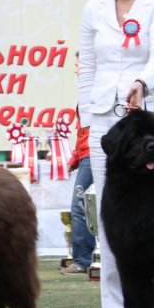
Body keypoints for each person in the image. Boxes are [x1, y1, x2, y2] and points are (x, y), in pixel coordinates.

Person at [77, 0, 154, 308]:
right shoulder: (93, 9)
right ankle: (121, 306)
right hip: (105, 120)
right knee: (111, 215)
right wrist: (87, 120)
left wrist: (142, 82)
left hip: (149, 116)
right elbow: (87, 65)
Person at [61, 54, 95, 275]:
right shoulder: (87, 92)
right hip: (88, 154)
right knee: (86, 206)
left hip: (93, 155)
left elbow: (90, 132)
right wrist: (76, 156)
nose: (76, 70)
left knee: (81, 206)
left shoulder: (93, 90)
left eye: (78, 65)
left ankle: (82, 260)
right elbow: (83, 131)